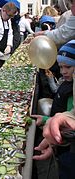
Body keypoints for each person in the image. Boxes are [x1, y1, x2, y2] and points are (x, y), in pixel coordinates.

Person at [33, 40, 75, 179]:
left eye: (68, 67)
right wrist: (46, 119)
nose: (63, 71)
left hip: (68, 149)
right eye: (61, 67)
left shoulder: (71, 92)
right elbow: (68, 117)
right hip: (61, 144)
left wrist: (54, 139)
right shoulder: (68, 84)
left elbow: (68, 125)